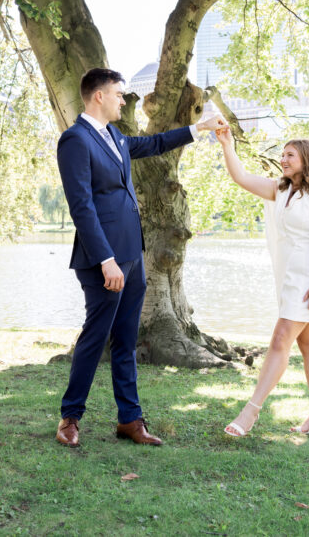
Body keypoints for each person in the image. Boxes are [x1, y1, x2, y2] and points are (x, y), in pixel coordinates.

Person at [54, 67, 227, 448]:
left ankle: (130, 420)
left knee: (126, 339)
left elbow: (152, 145)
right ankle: (70, 418)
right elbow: (81, 207)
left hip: (133, 253)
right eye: (118, 94)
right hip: (104, 260)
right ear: (98, 95)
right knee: (95, 336)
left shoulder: (114, 135)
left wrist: (200, 129)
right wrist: (105, 259)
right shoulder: (75, 140)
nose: (123, 100)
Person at [214, 131, 309, 439]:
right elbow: (240, 176)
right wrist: (228, 144)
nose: (282, 159)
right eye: (282, 155)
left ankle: (250, 412)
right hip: (289, 280)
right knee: (308, 345)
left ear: (307, 158)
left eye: (289, 155)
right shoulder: (281, 191)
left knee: (280, 338)